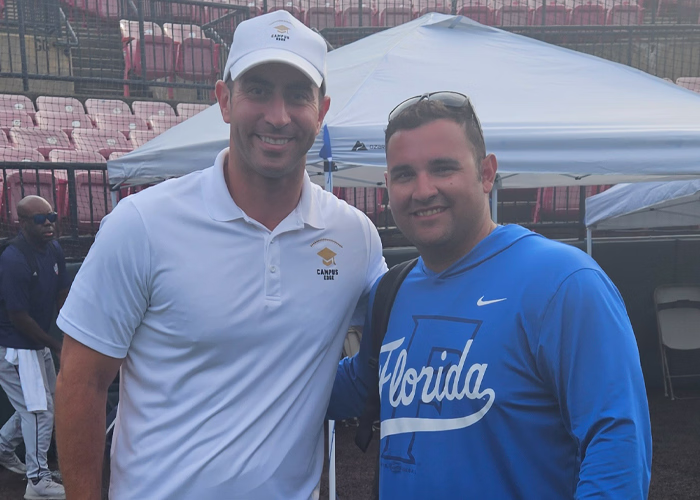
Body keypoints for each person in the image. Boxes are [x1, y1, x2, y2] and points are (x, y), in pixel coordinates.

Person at [54, 10, 386, 500]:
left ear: (322, 111)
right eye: (258, 90)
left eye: (298, 94)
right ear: (225, 100)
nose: (278, 115)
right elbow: (81, 383)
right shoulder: (142, 223)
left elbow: (402, 331)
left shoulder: (355, 237)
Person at [328, 92, 652, 498]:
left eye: (443, 168)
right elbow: (353, 385)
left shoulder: (563, 282)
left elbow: (617, 447)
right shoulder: (390, 292)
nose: (423, 190)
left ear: (486, 173)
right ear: (387, 185)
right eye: (404, 174)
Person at [0, 195, 69, 499]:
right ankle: (38, 481)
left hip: (37, 342)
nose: (49, 224)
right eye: (40, 220)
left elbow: (62, 292)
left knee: (43, 403)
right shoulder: (14, 259)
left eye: (51, 217)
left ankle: (3, 447)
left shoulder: (54, 248)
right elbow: (18, 316)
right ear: (23, 222)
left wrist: (69, 335)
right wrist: (56, 345)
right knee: (39, 410)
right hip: (15, 345)